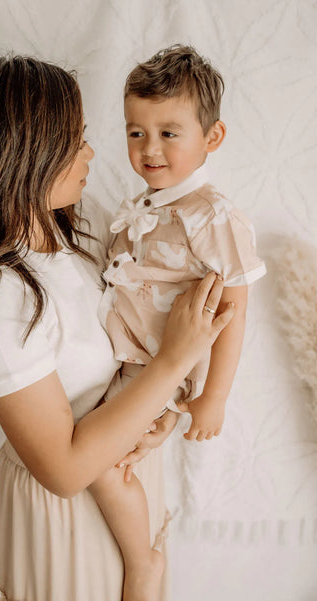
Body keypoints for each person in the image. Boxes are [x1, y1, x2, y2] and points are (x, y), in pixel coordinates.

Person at [0, 54, 234, 601]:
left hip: (123, 482)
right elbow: (63, 471)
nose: (90, 153)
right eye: (74, 142)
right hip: (67, 514)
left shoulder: (76, 232)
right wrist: (172, 362)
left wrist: (158, 415)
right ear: (28, 155)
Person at [90, 44, 267, 600]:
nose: (150, 148)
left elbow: (234, 310)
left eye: (169, 133)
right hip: (127, 363)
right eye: (136, 132)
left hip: (158, 371)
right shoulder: (148, 204)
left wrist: (213, 396)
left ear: (212, 137)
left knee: (98, 462)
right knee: (99, 451)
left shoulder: (210, 214)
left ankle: (142, 562)